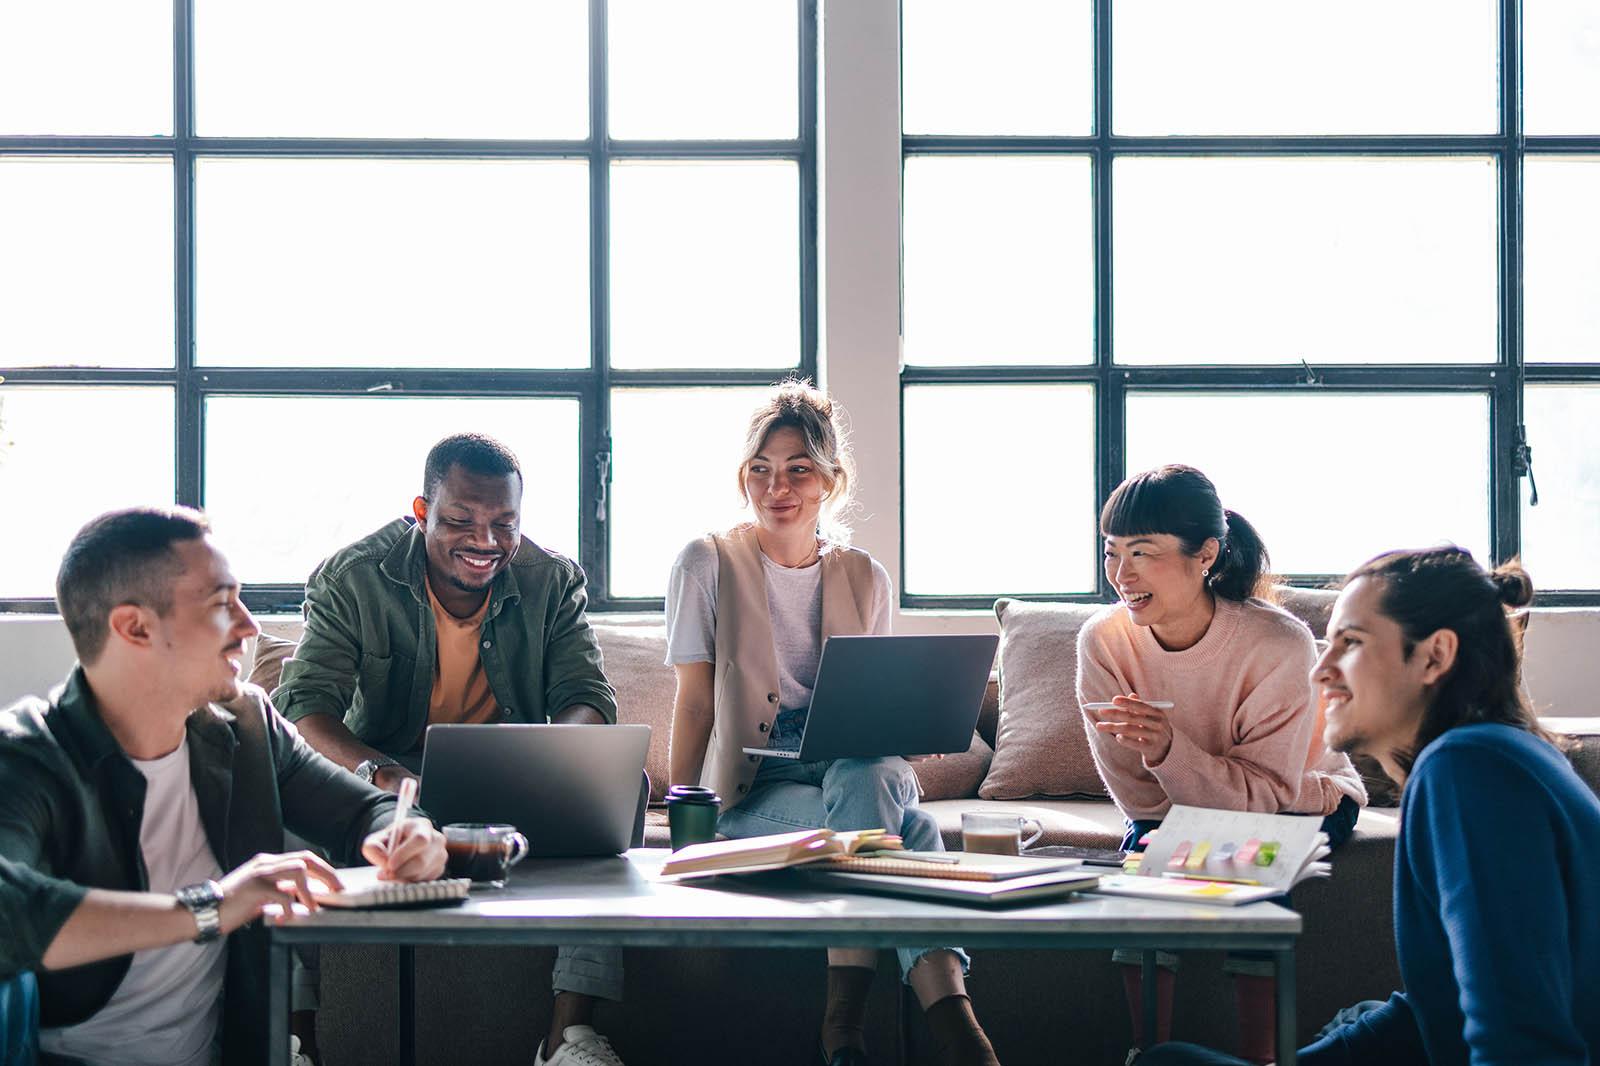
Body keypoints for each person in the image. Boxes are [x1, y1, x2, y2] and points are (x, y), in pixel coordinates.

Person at [0, 507, 446, 1066]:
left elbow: (367, 809)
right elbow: (8, 911)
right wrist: (215, 906)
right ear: (134, 627)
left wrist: (411, 832)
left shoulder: (247, 728)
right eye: (220, 604)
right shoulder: (26, 756)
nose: (250, 625)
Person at [1140, 546, 1600, 1065]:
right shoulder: (1498, 753)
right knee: (1354, 1020)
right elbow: (1437, 1006)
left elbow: (1522, 1043)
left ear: (1434, 656)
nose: (1320, 673)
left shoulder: (1468, 769)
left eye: (1350, 644)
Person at [665, 380, 1000, 1066]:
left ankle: (844, 1030)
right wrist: (682, 815)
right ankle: (956, 1034)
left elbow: (874, 707)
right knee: (915, 830)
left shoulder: (864, 576)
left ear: (830, 481)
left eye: (797, 470)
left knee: (866, 773)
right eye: (760, 469)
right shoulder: (706, 562)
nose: (776, 487)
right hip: (755, 784)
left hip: (849, 765)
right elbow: (696, 700)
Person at [272, 433, 628, 1066]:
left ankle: (568, 1039)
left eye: (503, 524)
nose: (484, 541)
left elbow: (587, 694)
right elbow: (306, 709)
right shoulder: (355, 577)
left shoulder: (552, 581)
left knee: (608, 829)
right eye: (460, 520)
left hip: (510, 778)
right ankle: (295, 1045)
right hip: (381, 785)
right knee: (285, 828)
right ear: (422, 510)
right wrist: (377, 776)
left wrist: (549, 755)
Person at [1076, 465, 1366, 1063]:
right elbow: (1139, 797)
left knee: (1251, 860)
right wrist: (1168, 782)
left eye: (1143, 554)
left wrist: (1168, 750)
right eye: (1112, 553)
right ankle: (1146, 1053)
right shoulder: (1102, 642)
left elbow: (1261, 797)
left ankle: (1259, 1059)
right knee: (1145, 877)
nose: (1121, 575)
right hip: (1217, 804)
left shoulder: (1278, 643)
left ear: (1205, 553)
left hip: (1294, 802)